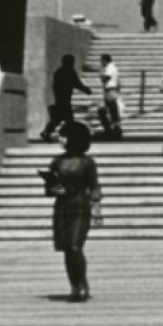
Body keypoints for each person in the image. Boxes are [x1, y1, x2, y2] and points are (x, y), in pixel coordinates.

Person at [41, 120, 102, 302]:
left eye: (63, 135)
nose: (60, 139)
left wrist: (97, 209)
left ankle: (82, 284)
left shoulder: (87, 162)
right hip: (62, 206)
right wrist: (52, 185)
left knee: (76, 246)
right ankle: (74, 285)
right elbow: (49, 191)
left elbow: (94, 186)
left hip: (80, 206)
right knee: (67, 248)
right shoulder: (57, 161)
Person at [96, 53, 123, 138]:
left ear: (105, 60)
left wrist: (100, 72)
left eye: (101, 60)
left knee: (105, 111)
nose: (101, 62)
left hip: (110, 91)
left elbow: (105, 79)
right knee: (111, 111)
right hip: (111, 91)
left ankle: (111, 130)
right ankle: (115, 130)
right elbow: (119, 82)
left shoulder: (110, 68)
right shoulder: (114, 68)